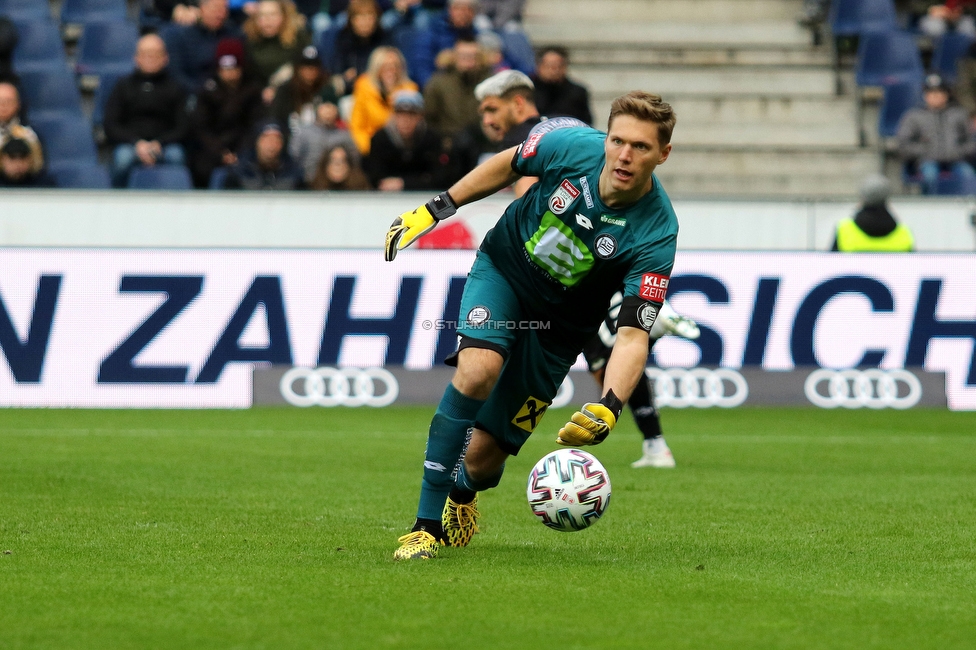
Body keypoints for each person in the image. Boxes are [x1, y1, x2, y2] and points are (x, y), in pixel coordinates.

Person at [384, 91, 680, 560]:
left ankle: (463, 493)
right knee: (477, 369)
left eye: (641, 147)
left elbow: (632, 333)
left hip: (560, 330)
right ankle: (425, 526)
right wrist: (437, 207)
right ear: (606, 137)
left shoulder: (656, 232)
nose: (625, 155)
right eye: (618, 140)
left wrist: (609, 406)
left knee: (483, 466)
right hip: (504, 272)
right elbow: (509, 164)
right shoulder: (573, 146)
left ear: (663, 153)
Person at [475, 69, 698, 469]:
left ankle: (647, 434)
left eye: (492, 109)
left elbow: (541, 207)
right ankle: (653, 441)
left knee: (602, 352)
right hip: (577, 272)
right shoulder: (564, 128)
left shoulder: (538, 137)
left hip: (562, 280)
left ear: (518, 103)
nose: (486, 120)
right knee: (606, 356)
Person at [104, 34, 189, 188]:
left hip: (166, 145)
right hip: (131, 144)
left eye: (156, 54)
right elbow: (111, 124)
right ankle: (116, 202)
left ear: (165, 58)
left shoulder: (176, 88)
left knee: (176, 157)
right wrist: (136, 143)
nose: (150, 58)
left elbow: (183, 127)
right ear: (137, 58)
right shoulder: (123, 86)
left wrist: (160, 143)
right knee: (122, 159)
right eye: (146, 54)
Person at [189, 38, 266, 187]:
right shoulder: (206, 91)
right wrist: (220, 154)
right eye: (225, 68)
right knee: (200, 166)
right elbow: (201, 128)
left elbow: (254, 125)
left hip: (244, 149)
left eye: (234, 68)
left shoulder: (252, 91)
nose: (229, 73)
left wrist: (239, 153)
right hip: (212, 150)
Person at [896, 74, 976, 194]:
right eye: (931, 93)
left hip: (957, 161)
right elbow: (903, 143)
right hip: (927, 161)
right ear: (925, 95)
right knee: (930, 176)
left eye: (939, 93)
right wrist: (925, 151)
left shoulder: (959, 114)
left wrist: (960, 151)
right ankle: (930, 210)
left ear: (946, 95)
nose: (935, 96)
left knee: (968, 175)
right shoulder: (914, 116)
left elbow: (971, 141)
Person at [366, 89, 459, 190]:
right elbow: (375, 176)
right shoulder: (380, 139)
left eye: (411, 114)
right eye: (400, 114)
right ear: (394, 116)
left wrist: (403, 183)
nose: (405, 120)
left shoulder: (432, 139)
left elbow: (440, 177)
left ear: (420, 117)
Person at [348, 46, 418, 154]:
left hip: (402, 148)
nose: (391, 70)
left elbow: (415, 126)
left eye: (395, 66)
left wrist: (393, 94)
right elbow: (357, 127)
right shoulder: (364, 87)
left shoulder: (410, 90)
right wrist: (369, 149)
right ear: (376, 68)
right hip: (371, 147)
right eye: (385, 66)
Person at [167, 0, 243, 94]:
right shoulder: (183, 36)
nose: (221, 15)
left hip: (229, 95)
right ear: (202, 9)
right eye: (216, 9)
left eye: (224, 9)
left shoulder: (234, 35)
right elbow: (177, 73)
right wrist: (200, 92)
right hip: (195, 94)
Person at [242, 0, 313, 96]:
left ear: (284, 16)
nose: (267, 19)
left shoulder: (299, 37)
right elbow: (248, 78)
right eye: (262, 15)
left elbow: (309, 68)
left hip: (293, 92)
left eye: (273, 14)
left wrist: (281, 81)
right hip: (259, 96)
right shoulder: (249, 40)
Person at [423, 37, 490, 137]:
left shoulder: (489, 82)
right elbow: (429, 117)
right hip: (448, 141)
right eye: (464, 56)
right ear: (454, 57)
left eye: (473, 56)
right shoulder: (438, 82)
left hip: (481, 141)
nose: (468, 61)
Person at [832, 174, 914, 252]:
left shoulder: (844, 230)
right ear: (887, 198)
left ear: (862, 198)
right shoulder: (904, 232)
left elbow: (830, 263)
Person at [290, 95, 358, 184]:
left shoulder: (345, 135)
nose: (328, 111)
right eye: (325, 106)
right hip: (307, 183)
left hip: (338, 183)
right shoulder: (303, 133)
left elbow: (354, 161)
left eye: (332, 107)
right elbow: (294, 157)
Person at [270, 45, 339, 130]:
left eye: (313, 67)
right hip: (291, 136)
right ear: (298, 69)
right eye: (305, 67)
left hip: (320, 138)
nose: (310, 71)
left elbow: (336, 122)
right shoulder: (286, 89)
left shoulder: (326, 89)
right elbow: (277, 119)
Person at [332, 0, 393, 96]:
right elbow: (338, 71)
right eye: (360, 17)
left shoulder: (384, 39)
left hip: (380, 91)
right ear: (351, 20)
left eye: (370, 17)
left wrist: (359, 74)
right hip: (351, 92)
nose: (365, 22)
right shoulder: (343, 39)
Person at [223, 119, 305, 189]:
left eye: (277, 139)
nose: (271, 145)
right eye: (266, 139)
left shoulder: (294, 174)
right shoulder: (239, 173)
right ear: (256, 142)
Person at [532, 46, 592, 125]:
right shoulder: (529, 91)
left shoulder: (577, 92)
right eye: (549, 66)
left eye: (558, 66)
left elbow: (586, 122)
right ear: (539, 66)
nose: (554, 71)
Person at [0, 82, 44, 175]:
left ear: (18, 104)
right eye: (0, 101)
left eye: (8, 101)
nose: (3, 105)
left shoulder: (29, 135)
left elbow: (38, 167)